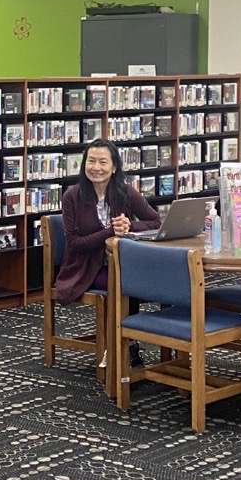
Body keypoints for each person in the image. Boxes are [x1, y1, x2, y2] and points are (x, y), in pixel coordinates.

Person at [53, 139, 161, 367]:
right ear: (84, 165)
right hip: (83, 267)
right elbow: (74, 243)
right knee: (124, 282)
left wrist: (129, 226)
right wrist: (111, 230)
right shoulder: (71, 196)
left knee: (146, 279)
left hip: (122, 263)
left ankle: (133, 343)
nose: (96, 167)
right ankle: (124, 348)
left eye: (103, 162)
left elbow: (155, 222)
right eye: (91, 161)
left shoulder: (125, 193)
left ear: (114, 167)